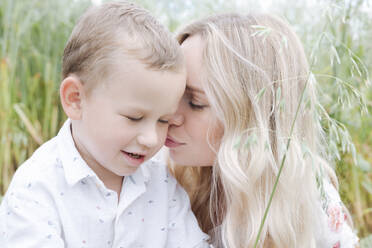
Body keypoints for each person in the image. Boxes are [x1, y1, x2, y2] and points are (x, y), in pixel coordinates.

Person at [0, 2, 209, 247]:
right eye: (134, 118)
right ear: (75, 99)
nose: (151, 139)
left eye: (163, 120)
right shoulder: (37, 189)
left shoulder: (161, 183)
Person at [166, 13, 359, 247]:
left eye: (195, 102)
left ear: (252, 115)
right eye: (171, 94)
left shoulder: (310, 201)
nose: (169, 115)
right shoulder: (158, 176)